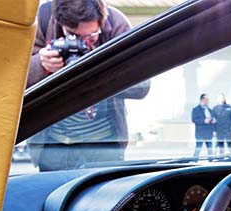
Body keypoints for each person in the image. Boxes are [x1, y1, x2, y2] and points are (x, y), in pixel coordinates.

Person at [25, 0, 149, 171]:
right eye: (73, 35)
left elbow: (142, 85)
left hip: (105, 143)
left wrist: (100, 68)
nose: (83, 43)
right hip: (54, 144)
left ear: (101, 21)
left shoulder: (116, 24)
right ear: (60, 22)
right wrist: (40, 65)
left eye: (91, 36)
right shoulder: (42, 20)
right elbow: (13, 77)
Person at [191, 93, 216, 158]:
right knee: (198, 148)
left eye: (208, 99)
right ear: (202, 100)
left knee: (210, 149)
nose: (207, 101)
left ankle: (211, 161)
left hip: (208, 133)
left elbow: (213, 118)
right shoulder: (196, 109)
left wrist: (213, 124)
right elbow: (194, 119)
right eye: (206, 99)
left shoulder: (210, 110)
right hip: (200, 133)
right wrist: (203, 121)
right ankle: (194, 161)